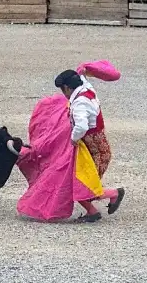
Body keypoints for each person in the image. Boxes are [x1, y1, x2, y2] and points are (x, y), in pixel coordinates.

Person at [53, 68, 125, 222]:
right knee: (81, 184)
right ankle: (93, 210)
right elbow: (82, 76)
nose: (63, 94)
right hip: (98, 148)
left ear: (67, 87)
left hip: (95, 152)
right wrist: (82, 71)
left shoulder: (79, 103)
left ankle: (112, 195)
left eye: (62, 90)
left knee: (81, 185)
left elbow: (81, 127)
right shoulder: (86, 87)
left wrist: (73, 139)